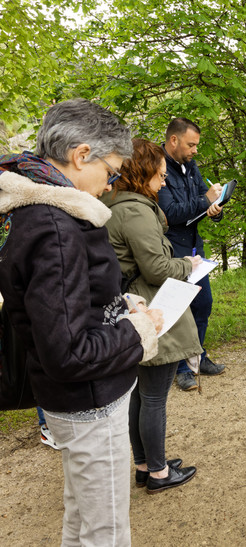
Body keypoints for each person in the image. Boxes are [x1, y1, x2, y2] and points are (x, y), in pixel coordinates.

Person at [0, 98, 162, 545]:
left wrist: (118, 305)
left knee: (82, 516)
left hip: (76, 399)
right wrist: (140, 331)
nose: (110, 185)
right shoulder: (55, 227)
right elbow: (69, 352)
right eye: (111, 172)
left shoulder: (38, 210)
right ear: (81, 155)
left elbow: (65, 306)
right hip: (90, 400)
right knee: (105, 531)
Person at [102, 138, 201, 493]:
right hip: (151, 304)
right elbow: (157, 267)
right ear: (143, 173)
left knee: (140, 395)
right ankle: (158, 473)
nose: (163, 182)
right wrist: (188, 264)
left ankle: (145, 464)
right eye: (160, 176)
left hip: (132, 301)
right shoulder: (136, 209)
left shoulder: (114, 203)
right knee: (153, 396)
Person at [158, 118, 226, 391]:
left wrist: (214, 208)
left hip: (195, 245)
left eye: (196, 145)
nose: (195, 150)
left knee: (202, 304)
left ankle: (198, 358)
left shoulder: (191, 165)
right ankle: (180, 369)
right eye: (191, 144)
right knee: (177, 309)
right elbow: (169, 213)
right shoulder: (158, 166)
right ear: (173, 140)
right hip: (172, 249)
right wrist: (204, 201)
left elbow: (201, 197)